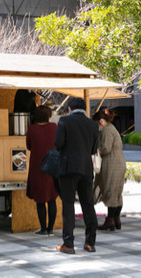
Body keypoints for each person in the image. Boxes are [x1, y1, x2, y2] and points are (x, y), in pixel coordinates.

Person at [55, 97, 99, 254]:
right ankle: (90, 243)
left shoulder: (64, 121)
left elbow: (58, 144)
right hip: (86, 169)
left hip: (68, 169)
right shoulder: (93, 125)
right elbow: (94, 149)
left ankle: (68, 244)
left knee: (68, 206)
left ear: (69, 109)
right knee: (88, 205)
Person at [26, 105, 58, 236]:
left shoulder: (32, 129)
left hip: (37, 168)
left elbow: (28, 146)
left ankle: (43, 228)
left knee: (40, 199)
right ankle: (51, 228)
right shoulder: (54, 127)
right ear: (48, 116)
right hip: (53, 167)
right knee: (52, 198)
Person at [92, 108, 126, 231]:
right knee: (117, 191)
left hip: (111, 162)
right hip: (119, 161)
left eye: (97, 123)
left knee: (110, 190)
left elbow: (106, 148)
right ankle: (116, 218)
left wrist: (96, 150)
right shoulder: (112, 128)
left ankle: (110, 220)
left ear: (101, 121)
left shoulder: (107, 130)